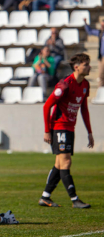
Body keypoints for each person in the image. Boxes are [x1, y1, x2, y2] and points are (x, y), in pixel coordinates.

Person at [40, 53, 94, 209]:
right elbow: (46, 106)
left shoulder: (85, 85)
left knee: (59, 164)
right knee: (66, 162)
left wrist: (89, 132)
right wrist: (47, 131)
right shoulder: (64, 85)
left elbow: (84, 109)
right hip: (59, 127)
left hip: (70, 128)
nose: (89, 67)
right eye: (86, 64)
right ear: (76, 67)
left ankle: (45, 197)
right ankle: (74, 199)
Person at [84, 18, 104, 87]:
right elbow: (90, 31)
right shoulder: (100, 33)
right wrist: (86, 24)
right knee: (101, 75)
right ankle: (101, 91)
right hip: (101, 57)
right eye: (101, 25)